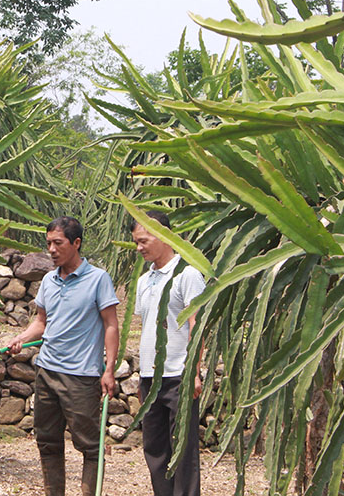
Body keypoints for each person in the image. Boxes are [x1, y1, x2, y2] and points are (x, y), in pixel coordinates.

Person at [7, 216, 120, 496]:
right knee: (47, 442)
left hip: (81, 376)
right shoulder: (48, 280)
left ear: (76, 243)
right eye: (48, 244)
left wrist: (109, 369)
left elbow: (111, 325)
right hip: (46, 371)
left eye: (58, 243)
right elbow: (41, 323)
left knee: (90, 445)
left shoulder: (98, 279)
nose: (52, 250)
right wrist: (21, 339)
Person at [132, 210, 205, 496]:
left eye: (143, 241)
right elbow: (146, 328)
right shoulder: (143, 280)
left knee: (183, 452)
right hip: (151, 378)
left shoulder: (187, 274)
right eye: (136, 242)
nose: (139, 248)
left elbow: (196, 324)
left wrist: (194, 372)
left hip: (179, 376)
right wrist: (142, 375)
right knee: (155, 448)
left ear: (163, 234)